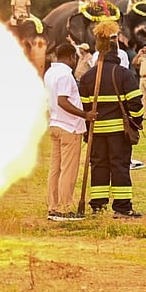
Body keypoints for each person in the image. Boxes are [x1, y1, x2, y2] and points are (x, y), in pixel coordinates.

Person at [78, 38, 145, 218]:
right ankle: (122, 208)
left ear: (99, 52)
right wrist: (136, 122)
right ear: (116, 53)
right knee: (120, 166)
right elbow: (136, 104)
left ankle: (98, 206)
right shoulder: (123, 74)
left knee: (98, 166)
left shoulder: (87, 77)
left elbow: (85, 108)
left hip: (96, 132)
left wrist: (87, 130)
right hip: (118, 132)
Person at [45, 44, 96, 222]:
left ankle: (53, 206)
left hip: (55, 124)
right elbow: (63, 101)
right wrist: (85, 115)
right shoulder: (65, 74)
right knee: (68, 169)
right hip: (69, 127)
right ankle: (65, 208)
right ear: (71, 58)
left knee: (55, 169)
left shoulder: (50, 73)